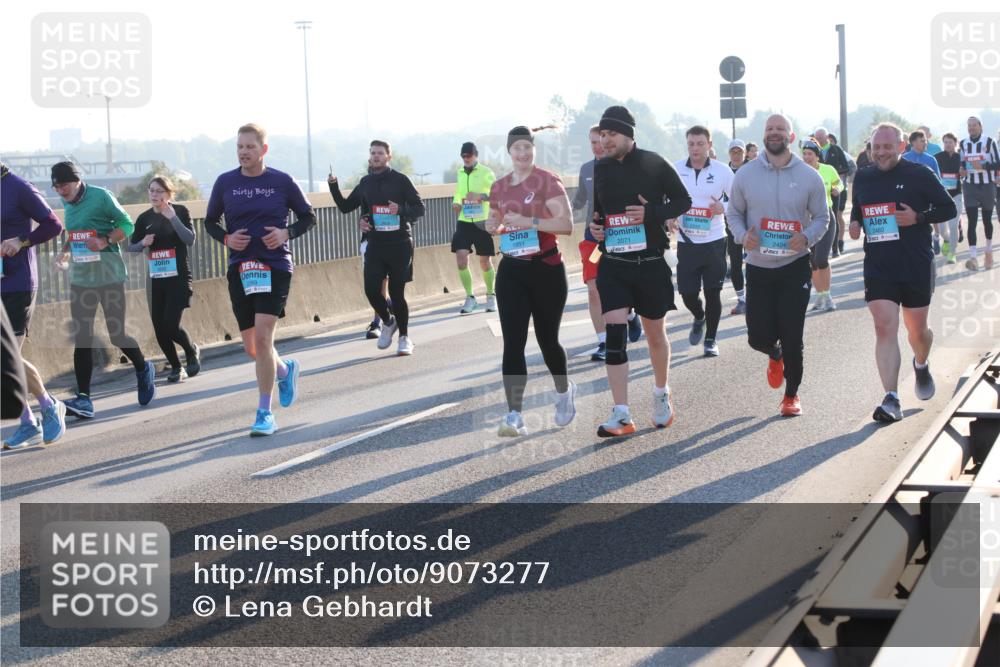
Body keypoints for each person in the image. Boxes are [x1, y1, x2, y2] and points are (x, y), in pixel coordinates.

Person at [204, 123, 314, 436]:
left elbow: (309, 217)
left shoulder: (282, 181)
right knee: (253, 348)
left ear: (263, 149)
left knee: (265, 338)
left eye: (250, 147)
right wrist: (227, 239)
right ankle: (284, 370)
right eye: (240, 147)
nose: (244, 152)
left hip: (275, 266)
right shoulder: (226, 182)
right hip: (241, 268)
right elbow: (210, 222)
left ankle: (265, 413)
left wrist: (286, 233)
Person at [589, 106, 692, 436]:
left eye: (611, 134)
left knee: (654, 335)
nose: (605, 141)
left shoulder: (654, 163)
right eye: (602, 135)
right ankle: (622, 414)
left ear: (628, 135)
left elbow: (683, 201)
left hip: (650, 263)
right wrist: (597, 228)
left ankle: (661, 393)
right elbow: (599, 213)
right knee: (615, 335)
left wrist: (651, 213)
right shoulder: (601, 168)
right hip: (614, 264)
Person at [849, 123, 956, 422]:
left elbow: (948, 208)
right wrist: (855, 224)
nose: (881, 152)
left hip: (915, 264)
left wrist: (918, 217)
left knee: (917, 331)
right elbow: (858, 209)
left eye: (887, 147)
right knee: (884, 326)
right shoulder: (864, 176)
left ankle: (920, 363)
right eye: (876, 147)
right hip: (879, 265)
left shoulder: (920, 174)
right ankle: (891, 398)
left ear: (901, 146)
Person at [727, 114, 829, 417]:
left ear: (791, 137)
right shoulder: (745, 175)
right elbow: (733, 214)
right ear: (763, 135)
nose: (774, 133)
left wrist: (807, 237)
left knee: (792, 332)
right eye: (769, 129)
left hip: (794, 266)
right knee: (757, 336)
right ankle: (775, 353)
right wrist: (743, 236)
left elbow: (823, 217)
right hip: (758, 266)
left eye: (780, 129)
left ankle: (791, 395)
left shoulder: (809, 176)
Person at [485, 126, 576, 437]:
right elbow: (496, 220)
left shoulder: (547, 181)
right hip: (512, 270)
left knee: (548, 341)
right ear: (509, 152)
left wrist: (529, 221)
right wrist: (493, 225)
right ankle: (514, 414)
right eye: (517, 148)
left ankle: (563, 392)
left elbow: (566, 224)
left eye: (527, 147)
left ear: (534, 149)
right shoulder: (499, 186)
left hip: (546, 270)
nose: (522, 153)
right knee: (513, 343)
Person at [52, 161, 157, 419]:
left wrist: (105, 240)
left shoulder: (101, 196)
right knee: (83, 338)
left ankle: (143, 368)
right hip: (81, 279)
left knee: (117, 334)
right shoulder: (67, 202)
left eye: (64, 185)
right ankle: (84, 399)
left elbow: (127, 225)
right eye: (56, 187)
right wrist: (65, 252)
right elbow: (75, 233)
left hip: (109, 276)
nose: (61, 191)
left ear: (76, 180)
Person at [329, 140, 424, 355]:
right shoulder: (366, 182)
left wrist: (400, 210)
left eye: (380, 153)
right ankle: (389, 322)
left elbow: (420, 208)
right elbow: (346, 207)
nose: (376, 156)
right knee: (371, 290)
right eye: (373, 153)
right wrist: (334, 186)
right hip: (376, 243)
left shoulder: (401, 180)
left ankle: (404, 338)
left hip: (400, 243)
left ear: (388, 156)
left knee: (397, 293)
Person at [1, 162, 67, 448]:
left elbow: (54, 224)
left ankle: (49, 406)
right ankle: (28, 422)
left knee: (7, 357)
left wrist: (21, 240)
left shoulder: (18, 187)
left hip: (18, 285)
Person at [573, 126, 642, 361]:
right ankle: (603, 341)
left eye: (600, 140)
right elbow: (579, 200)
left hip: (621, 235)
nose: (597, 146)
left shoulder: (623, 166)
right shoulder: (586, 169)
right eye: (592, 142)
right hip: (593, 238)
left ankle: (630, 316)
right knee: (593, 289)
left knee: (622, 286)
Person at [127, 175, 200, 383]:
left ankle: (191, 351)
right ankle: (176, 367)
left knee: (170, 324)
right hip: (156, 280)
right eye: (151, 190)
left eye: (159, 191)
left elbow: (190, 240)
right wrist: (143, 243)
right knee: (159, 329)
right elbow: (131, 249)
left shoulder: (181, 211)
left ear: (169, 194)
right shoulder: (144, 218)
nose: (154, 194)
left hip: (178, 278)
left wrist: (172, 218)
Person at [669, 126, 734, 356]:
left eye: (700, 144)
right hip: (686, 242)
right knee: (687, 293)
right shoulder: (675, 169)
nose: (695, 148)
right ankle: (699, 316)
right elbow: (665, 199)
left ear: (709, 145)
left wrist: (722, 207)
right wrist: (669, 216)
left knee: (713, 292)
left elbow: (738, 200)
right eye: (691, 144)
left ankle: (711, 340)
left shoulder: (723, 171)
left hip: (714, 240)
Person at [450, 142, 497, 314]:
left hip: (481, 222)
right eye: (463, 156)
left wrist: (481, 196)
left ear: (475, 155)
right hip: (464, 221)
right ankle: (470, 297)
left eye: (468, 155)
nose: (466, 158)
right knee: (461, 258)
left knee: (485, 261)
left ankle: (491, 295)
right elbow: (459, 192)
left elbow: (496, 194)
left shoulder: (486, 172)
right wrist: (456, 202)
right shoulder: (460, 172)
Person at [800, 141, 843, 312]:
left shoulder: (828, 169)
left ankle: (828, 296)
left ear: (817, 156)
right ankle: (820, 295)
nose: (807, 157)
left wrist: (837, 188)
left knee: (821, 259)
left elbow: (839, 182)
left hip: (826, 217)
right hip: (807, 219)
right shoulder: (799, 173)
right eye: (804, 154)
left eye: (810, 154)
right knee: (812, 261)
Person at [960, 116, 997, 271]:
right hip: (970, 186)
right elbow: (962, 162)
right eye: (969, 126)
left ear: (980, 126)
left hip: (987, 185)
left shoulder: (989, 142)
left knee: (987, 220)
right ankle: (973, 257)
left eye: (974, 125)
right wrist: (962, 170)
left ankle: (988, 251)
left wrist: (983, 166)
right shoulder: (963, 143)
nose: (971, 128)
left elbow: (998, 163)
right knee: (972, 221)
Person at [814, 127, 851, 257]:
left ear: (827, 137)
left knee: (834, 217)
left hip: (833, 190)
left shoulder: (836, 150)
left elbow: (845, 168)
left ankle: (835, 247)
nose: (818, 140)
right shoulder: (814, 150)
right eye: (816, 138)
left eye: (820, 138)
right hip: (817, 192)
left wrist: (836, 184)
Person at [726, 139, 748, 314]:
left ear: (744, 153)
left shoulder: (752, 170)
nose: (736, 155)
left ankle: (755, 296)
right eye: (733, 152)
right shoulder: (723, 172)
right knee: (735, 261)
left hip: (751, 220)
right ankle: (741, 299)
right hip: (731, 222)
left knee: (755, 259)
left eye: (739, 152)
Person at [934, 132, 963, 264]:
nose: (947, 145)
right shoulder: (937, 157)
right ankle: (946, 240)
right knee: (942, 229)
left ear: (955, 143)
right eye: (945, 142)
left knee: (953, 225)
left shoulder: (960, 157)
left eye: (950, 142)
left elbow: (966, 172)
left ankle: (952, 253)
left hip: (956, 195)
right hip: (941, 197)